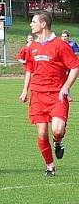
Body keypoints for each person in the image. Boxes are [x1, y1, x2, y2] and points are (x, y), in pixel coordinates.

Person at [22, 12, 79, 177]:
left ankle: (59, 142)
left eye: (34, 22)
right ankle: (50, 166)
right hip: (38, 95)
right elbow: (29, 69)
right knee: (41, 133)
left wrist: (66, 87)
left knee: (57, 130)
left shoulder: (61, 45)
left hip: (57, 96)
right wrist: (25, 90)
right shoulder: (32, 47)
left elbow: (75, 66)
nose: (31, 25)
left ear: (43, 24)